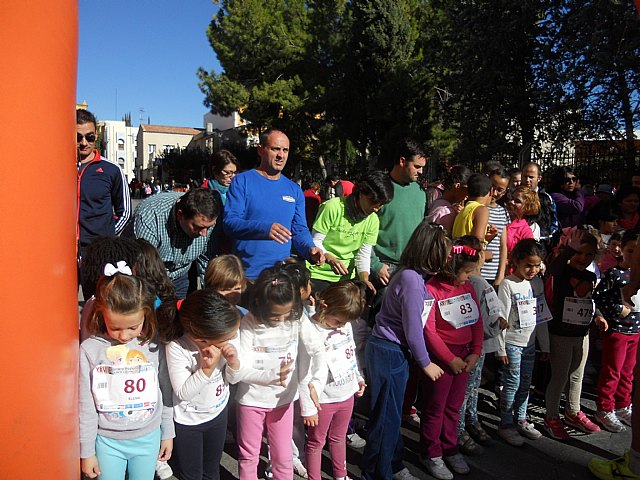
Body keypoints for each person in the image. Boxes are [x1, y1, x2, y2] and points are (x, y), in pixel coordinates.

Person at [361, 221, 447, 480]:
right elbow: (412, 329)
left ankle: (393, 463)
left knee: (390, 414)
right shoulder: (411, 279)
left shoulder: (412, 274)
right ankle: (377, 472)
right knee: (385, 419)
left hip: (392, 350)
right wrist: (425, 362)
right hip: (389, 351)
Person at [226, 266, 325, 479]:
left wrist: (316, 385)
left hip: (283, 401)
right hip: (251, 400)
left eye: (286, 313)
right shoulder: (248, 324)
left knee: (283, 456)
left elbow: (317, 349)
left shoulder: (296, 318)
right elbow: (239, 371)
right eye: (275, 315)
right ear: (260, 303)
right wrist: (271, 376)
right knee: (248, 454)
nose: (281, 319)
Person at [79, 264, 174, 480]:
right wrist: (87, 452)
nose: (124, 336)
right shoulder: (90, 351)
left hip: (148, 437)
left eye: (133, 327)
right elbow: (85, 405)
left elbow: (164, 388)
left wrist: (168, 432)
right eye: (115, 327)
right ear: (101, 314)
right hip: (107, 442)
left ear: (146, 314)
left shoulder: (152, 345)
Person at [420, 236, 484, 479]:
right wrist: (448, 359)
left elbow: (476, 320)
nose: (469, 276)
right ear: (451, 268)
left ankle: (450, 446)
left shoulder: (466, 287)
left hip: (465, 355)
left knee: (454, 406)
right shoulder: (431, 289)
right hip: (442, 359)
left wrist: (475, 351)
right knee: (435, 407)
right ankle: (431, 452)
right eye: (467, 271)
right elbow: (429, 330)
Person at [223, 129, 324, 280]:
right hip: (246, 276)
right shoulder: (242, 181)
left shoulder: (294, 190)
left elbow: (299, 230)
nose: (280, 155)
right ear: (261, 150)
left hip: (280, 277)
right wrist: (264, 229)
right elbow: (230, 223)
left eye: (285, 150)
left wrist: (310, 249)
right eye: (275, 149)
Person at [161, 289, 241, 480]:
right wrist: (206, 369)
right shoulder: (177, 348)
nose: (231, 340)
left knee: (212, 470)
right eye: (226, 339)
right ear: (200, 337)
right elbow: (182, 392)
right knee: (192, 475)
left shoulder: (225, 335)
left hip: (218, 413)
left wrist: (233, 363)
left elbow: (233, 379)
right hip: (189, 423)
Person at [299, 281, 367, 480]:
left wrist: (358, 377)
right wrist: (308, 405)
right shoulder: (311, 330)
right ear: (325, 307)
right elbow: (304, 370)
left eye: (345, 322)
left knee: (338, 438)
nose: (342, 325)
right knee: (316, 442)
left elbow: (351, 353)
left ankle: (341, 475)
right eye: (338, 321)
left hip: (346, 393)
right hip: (323, 398)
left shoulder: (345, 327)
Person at [543, 229, 605, 440]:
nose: (583, 258)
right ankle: (551, 416)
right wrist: (570, 250)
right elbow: (553, 268)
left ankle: (572, 411)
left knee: (577, 374)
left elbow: (588, 300)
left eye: (588, 255)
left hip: (583, 333)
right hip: (560, 332)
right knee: (559, 376)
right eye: (579, 253)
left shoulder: (589, 276)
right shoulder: (562, 273)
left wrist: (598, 316)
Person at [495, 239, 550, 446]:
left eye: (537, 265)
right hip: (512, 344)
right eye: (528, 265)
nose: (533, 270)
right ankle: (506, 424)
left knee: (526, 383)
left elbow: (541, 316)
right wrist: (501, 348)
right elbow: (501, 318)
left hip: (530, 344)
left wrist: (544, 345)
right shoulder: (508, 284)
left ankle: (521, 418)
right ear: (517, 261)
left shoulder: (537, 283)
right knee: (512, 383)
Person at [457, 240, 508, 455]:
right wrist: (496, 328)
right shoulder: (475, 283)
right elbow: (475, 319)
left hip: (483, 345)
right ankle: (459, 429)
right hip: (473, 347)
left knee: (474, 387)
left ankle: (471, 419)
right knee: (465, 390)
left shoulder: (480, 282)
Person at [308, 170, 394, 294]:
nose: (376, 209)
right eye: (373, 202)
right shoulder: (332, 207)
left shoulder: (373, 220)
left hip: (346, 279)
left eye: (380, 205)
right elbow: (315, 241)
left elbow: (363, 254)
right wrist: (330, 259)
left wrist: (364, 279)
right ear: (361, 193)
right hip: (318, 275)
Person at [77, 109, 131, 299]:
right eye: (78, 137)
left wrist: (105, 238)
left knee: (99, 306)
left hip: (97, 252)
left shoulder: (111, 169)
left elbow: (124, 211)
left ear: (96, 136)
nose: (84, 143)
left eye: (89, 137)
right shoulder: (59, 167)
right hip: (64, 250)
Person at [127, 188, 220, 298]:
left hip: (181, 275)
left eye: (208, 228)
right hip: (150, 275)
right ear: (180, 215)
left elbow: (206, 262)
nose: (204, 234)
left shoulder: (207, 222)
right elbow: (145, 266)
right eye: (198, 227)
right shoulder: (150, 215)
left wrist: (210, 297)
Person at [593, 230, 640, 432]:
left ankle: (622, 405)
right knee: (612, 371)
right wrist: (617, 309)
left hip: (635, 331)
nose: (634, 257)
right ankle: (604, 408)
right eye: (631, 251)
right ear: (622, 250)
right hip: (617, 331)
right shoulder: (614, 274)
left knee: (628, 372)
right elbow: (599, 298)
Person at [370, 138, 428, 288]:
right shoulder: (379, 189)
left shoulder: (420, 192)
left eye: (422, 167)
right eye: (417, 166)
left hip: (415, 267)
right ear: (402, 161)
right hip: (385, 269)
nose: (421, 171)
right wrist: (376, 265)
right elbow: (361, 231)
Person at [497, 186, 540, 283]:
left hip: (508, 276)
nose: (511, 202)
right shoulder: (501, 217)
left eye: (517, 201)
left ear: (527, 207)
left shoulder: (525, 231)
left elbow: (527, 256)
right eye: (512, 198)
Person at [452, 174, 495, 259]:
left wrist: (487, 238)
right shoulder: (482, 210)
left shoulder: (463, 211)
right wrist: (486, 255)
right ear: (491, 191)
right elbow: (477, 242)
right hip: (469, 265)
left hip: (458, 262)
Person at [480, 168, 511, 284]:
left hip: (493, 274)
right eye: (492, 186)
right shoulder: (477, 208)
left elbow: (503, 245)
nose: (494, 192)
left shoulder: (502, 212)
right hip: (477, 272)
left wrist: (500, 276)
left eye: (500, 190)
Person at [425, 165, 471, 235]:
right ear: (457, 186)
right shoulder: (445, 212)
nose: (467, 195)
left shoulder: (437, 204)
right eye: (467, 190)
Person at [520, 162, 558, 245]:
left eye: (531, 177)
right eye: (525, 176)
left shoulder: (546, 198)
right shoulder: (515, 196)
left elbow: (553, 222)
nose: (527, 180)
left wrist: (542, 236)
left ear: (539, 178)